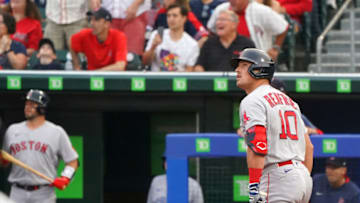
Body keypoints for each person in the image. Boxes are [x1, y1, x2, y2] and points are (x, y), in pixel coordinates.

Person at [234, 48, 313, 202]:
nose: (237, 70)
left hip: (277, 177)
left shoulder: (253, 100)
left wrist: (254, 189)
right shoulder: (290, 102)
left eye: (243, 65)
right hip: (302, 177)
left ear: (259, 69)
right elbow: (309, 147)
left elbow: (258, 145)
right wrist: (300, 178)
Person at [0, 89, 79, 203]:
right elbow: (5, 161)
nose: (27, 107)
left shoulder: (56, 132)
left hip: (44, 193)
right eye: (26, 104)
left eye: (32, 104)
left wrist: (65, 178)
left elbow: (73, 161)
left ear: (42, 107)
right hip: (17, 191)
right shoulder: (12, 130)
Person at [207, 0, 288, 61]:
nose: (232, 1)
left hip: (257, 58)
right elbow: (211, 29)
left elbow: (283, 27)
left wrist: (275, 48)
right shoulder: (221, 9)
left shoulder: (261, 10)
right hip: (225, 58)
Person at [143, 4, 199, 72]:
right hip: (157, 80)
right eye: (168, 16)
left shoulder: (192, 44)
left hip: (178, 81)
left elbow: (189, 72)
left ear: (184, 18)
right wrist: (153, 46)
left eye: (175, 16)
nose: (171, 19)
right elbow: (145, 62)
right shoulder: (156, 34)